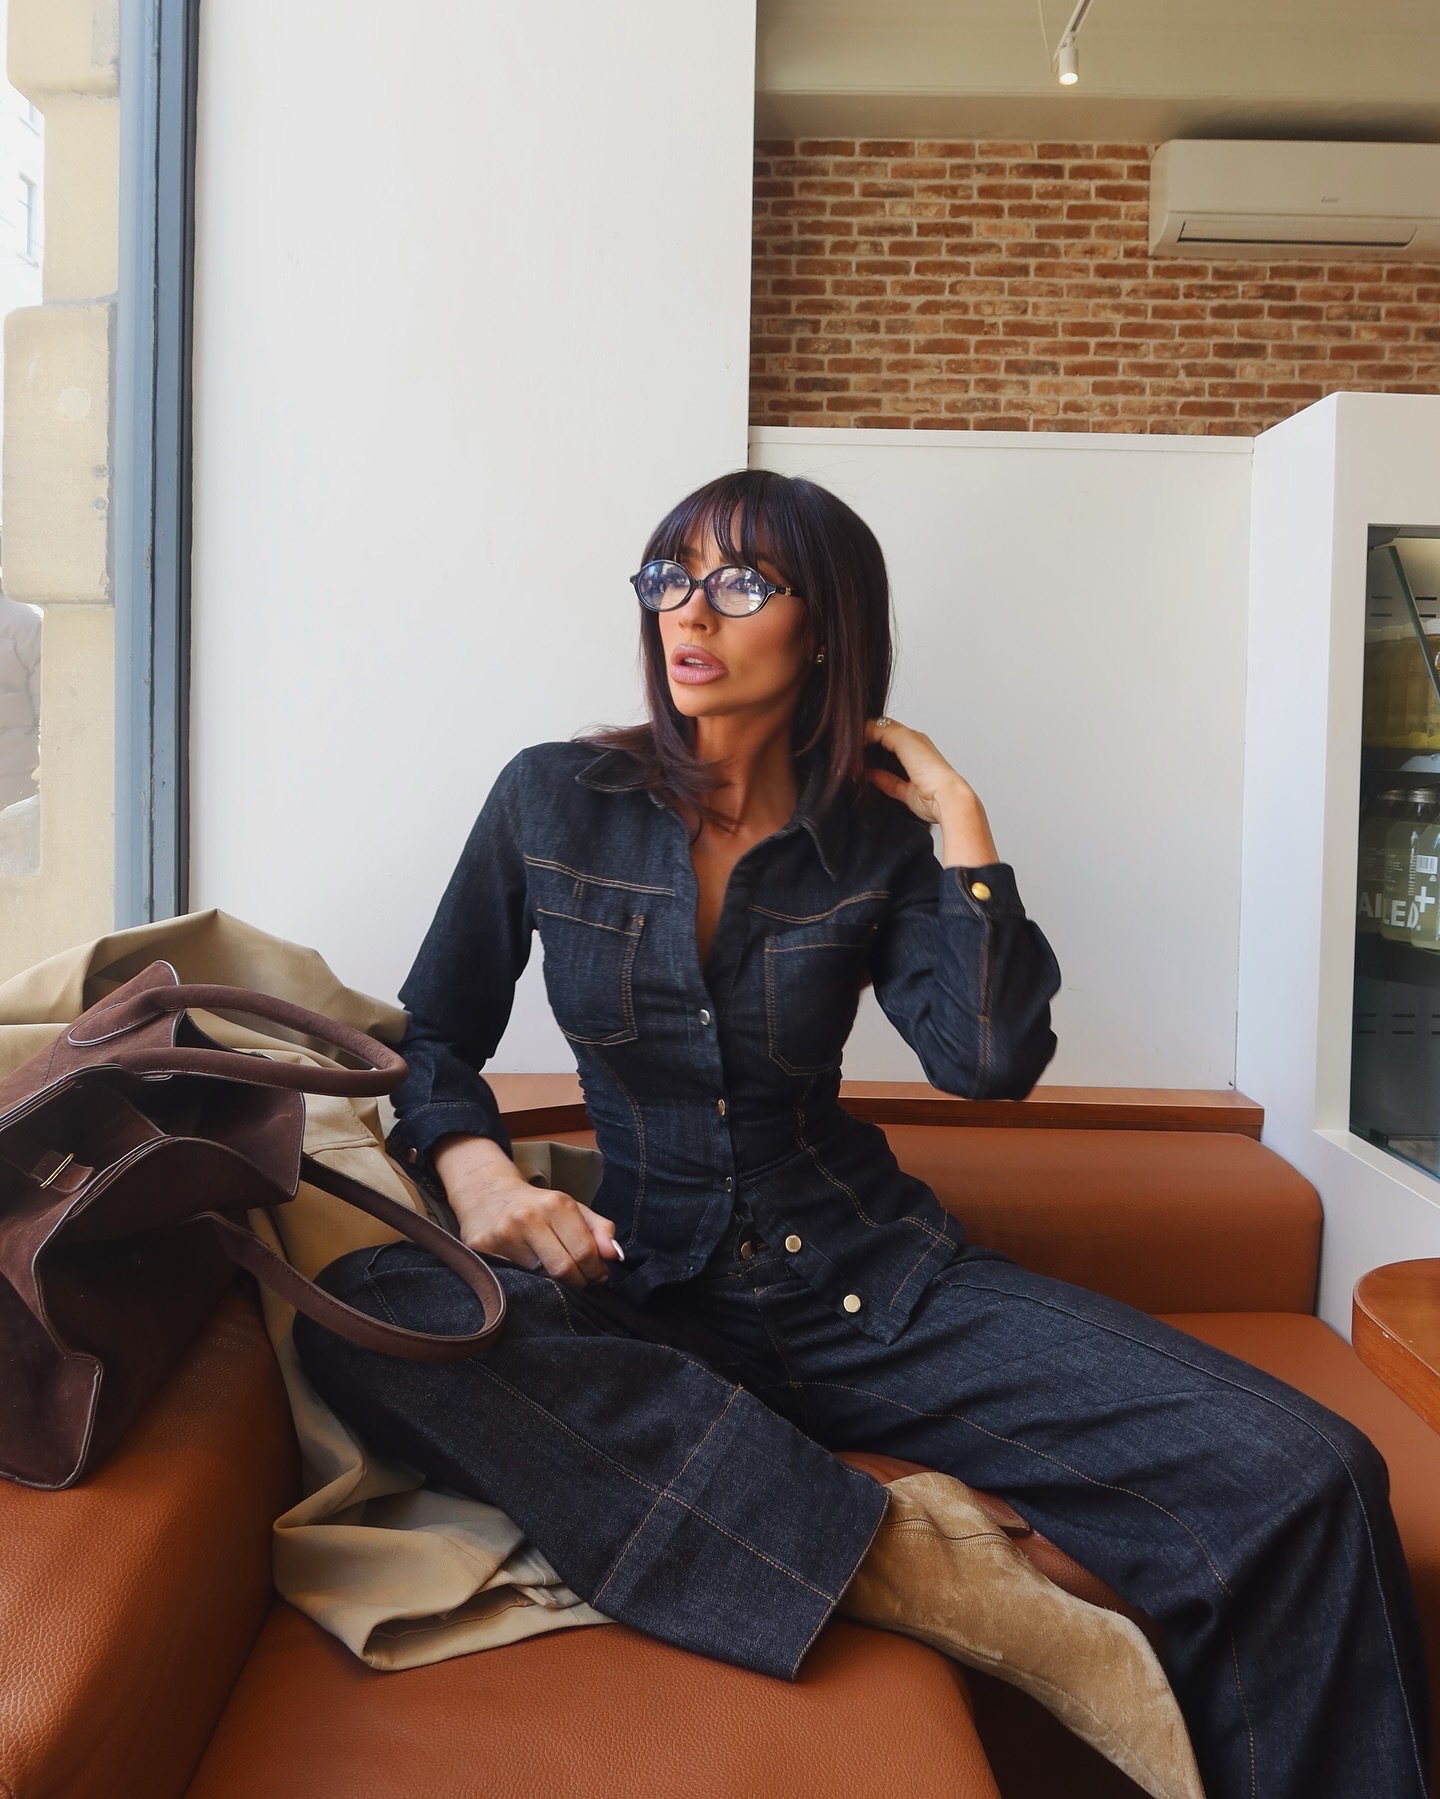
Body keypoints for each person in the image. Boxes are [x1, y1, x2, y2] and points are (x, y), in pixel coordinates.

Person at [296, 470, 1430, 1799]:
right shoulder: (553, 797)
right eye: (670, 575)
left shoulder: (879, 840)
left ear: (826, 627)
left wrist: (963, 828)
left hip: (875, 1289)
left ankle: (764, 1510)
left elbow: (987, 1064)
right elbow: (431, 1037)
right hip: (647, 1294)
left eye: (741, 582)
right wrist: (481, 1174)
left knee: (1311, 1473)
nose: (689, 612)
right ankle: (894, 1558)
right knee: (365, 1314)